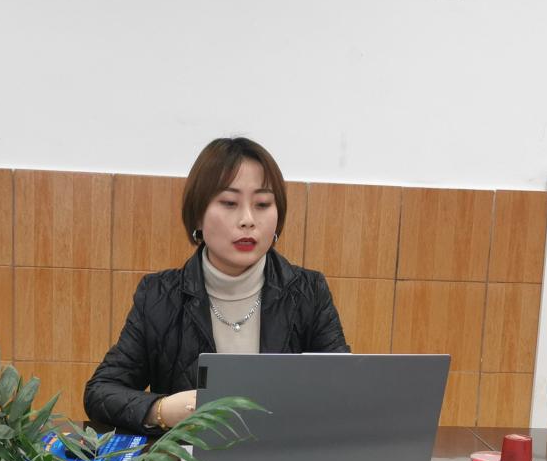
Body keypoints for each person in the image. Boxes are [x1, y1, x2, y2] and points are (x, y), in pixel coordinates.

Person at [83, 137, 349, 436]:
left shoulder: (308, 291)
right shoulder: (159, 295)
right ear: (198, 214)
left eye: (262, 204)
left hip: (285, 458)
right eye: (229, 203)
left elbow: (344, 388)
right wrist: (162, 410)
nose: (248, 220)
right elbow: (101, 391)